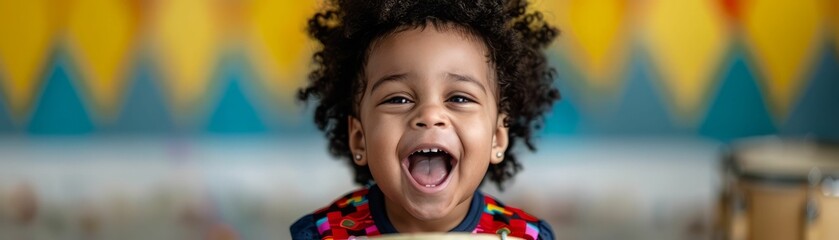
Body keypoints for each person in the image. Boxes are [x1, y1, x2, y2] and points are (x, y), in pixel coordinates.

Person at [292, 0, 559, 239]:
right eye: (398, 99)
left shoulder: (523, 236)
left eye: (459, 98)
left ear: (497, 139)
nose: (430, 115)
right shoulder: (325, 233)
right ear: (359, 140)